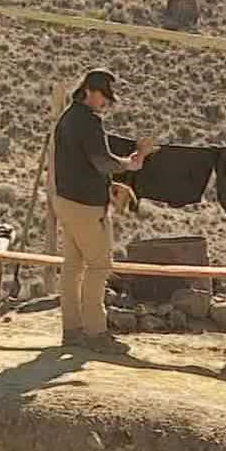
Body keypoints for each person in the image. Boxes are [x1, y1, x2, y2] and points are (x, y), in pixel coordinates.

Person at [51, 68, 157, 351]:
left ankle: (72, 329)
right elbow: (101, 161)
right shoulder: (88, 122)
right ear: (90, 91)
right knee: (99, 266)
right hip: (86, 206)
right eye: (103, 96)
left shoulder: (68, 117)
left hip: (65, 201)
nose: (105, 103)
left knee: (73, 267)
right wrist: (128, 164)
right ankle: (96, 332)